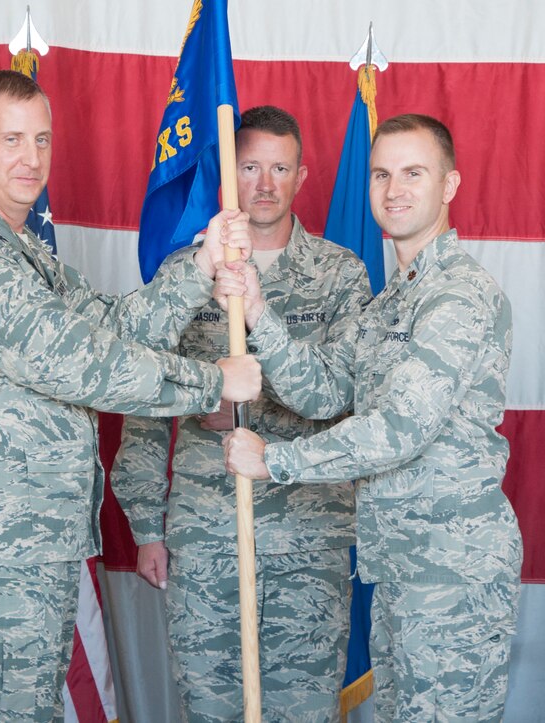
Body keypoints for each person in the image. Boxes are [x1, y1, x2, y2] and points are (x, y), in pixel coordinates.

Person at [0, 69, 261, 721]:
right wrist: (213, 382)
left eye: (41, 139)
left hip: (30, 540)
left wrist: (200, 267)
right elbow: (83, 365)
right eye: (10, 139)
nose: (31, 157)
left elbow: (113, 325)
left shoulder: (23, 258)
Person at [222, 114, 522, 722]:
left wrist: (274, 460)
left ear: (450, 185)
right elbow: (326, 389)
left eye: (414, 173)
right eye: (382, 174)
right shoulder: (393, 300)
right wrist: (260, 317)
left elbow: (401, 430)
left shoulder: (457, 296)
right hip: (402, 565)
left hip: (451, 571)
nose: (394, 190)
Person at [110, 106, 371, 722]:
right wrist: (147, 523)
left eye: (280, 168)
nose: (264, 183)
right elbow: (144, 405)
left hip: (310, 534)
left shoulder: (341, 275)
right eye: (250, 166)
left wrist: (247, 404)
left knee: (303, 708)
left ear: (302, 176)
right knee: (212, 705)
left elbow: (344, 397)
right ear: (230, 174)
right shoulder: (188, 273)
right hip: (206, 529)